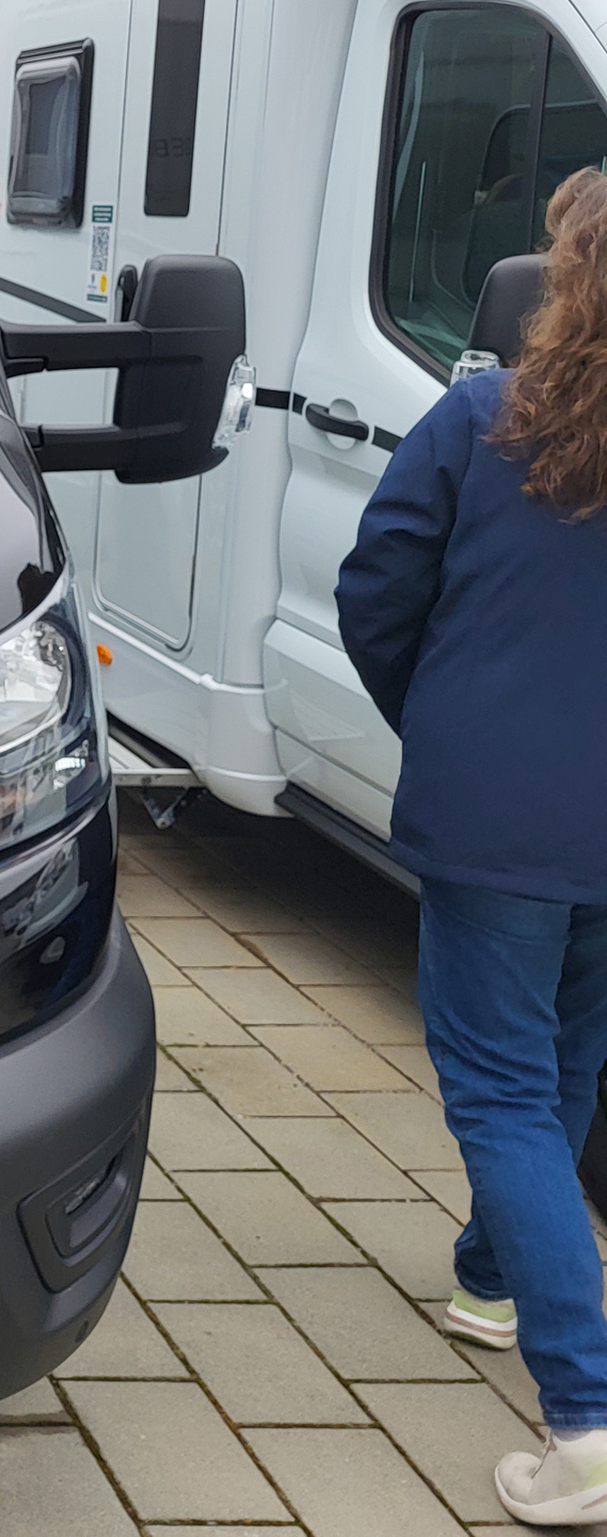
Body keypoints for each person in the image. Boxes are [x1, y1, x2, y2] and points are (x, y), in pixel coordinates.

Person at [339, 164, 607, 1528]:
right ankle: (492, 1281)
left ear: (564, 283)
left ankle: (588, 1421)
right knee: (565, 1066)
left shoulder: (479, 420)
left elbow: (376, 595)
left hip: (497, 814)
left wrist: (447, 724)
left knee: (502, 1093)